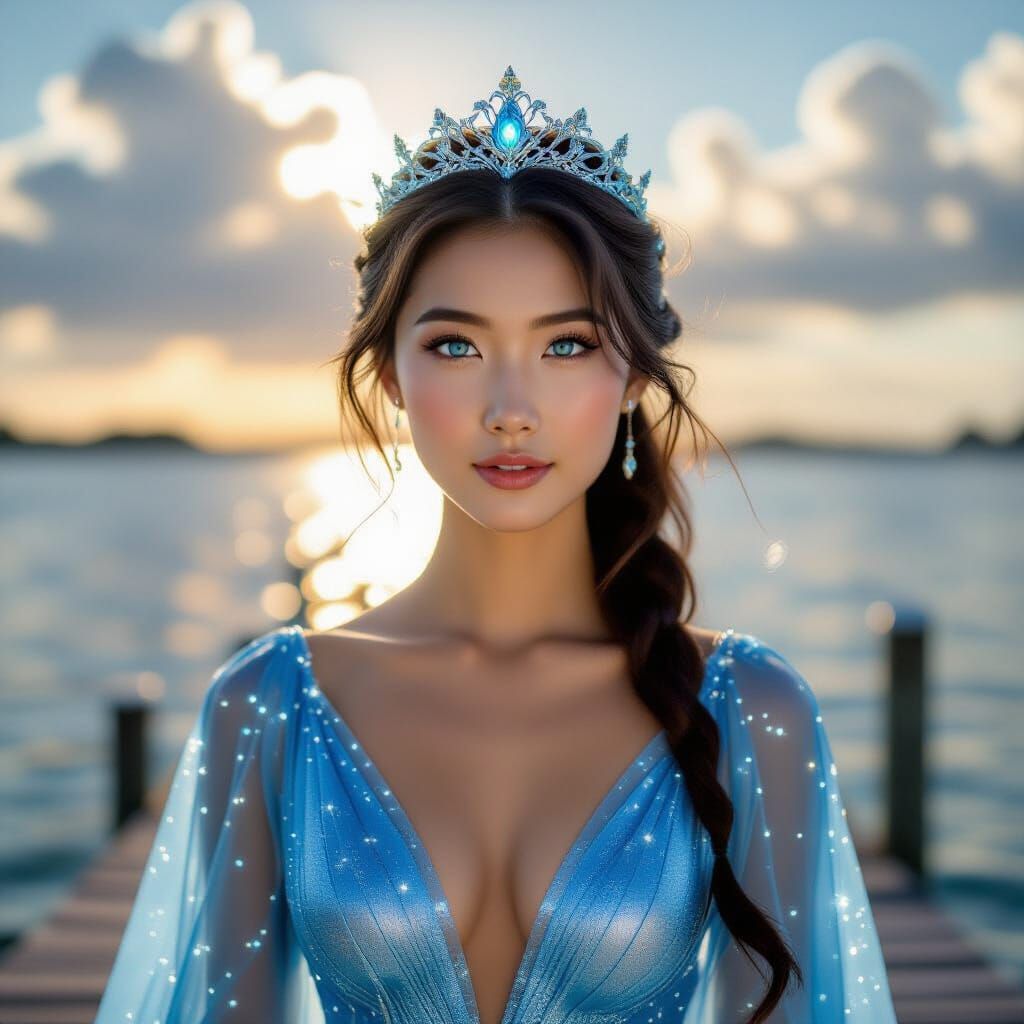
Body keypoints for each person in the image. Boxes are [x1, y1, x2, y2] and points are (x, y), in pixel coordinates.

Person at [95, 66, 898, 1023]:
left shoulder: (751, 710)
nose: (512, 411)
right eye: (456, 346)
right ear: (389, 372)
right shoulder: (271, 707)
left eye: (566, 345)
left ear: (636, 372)